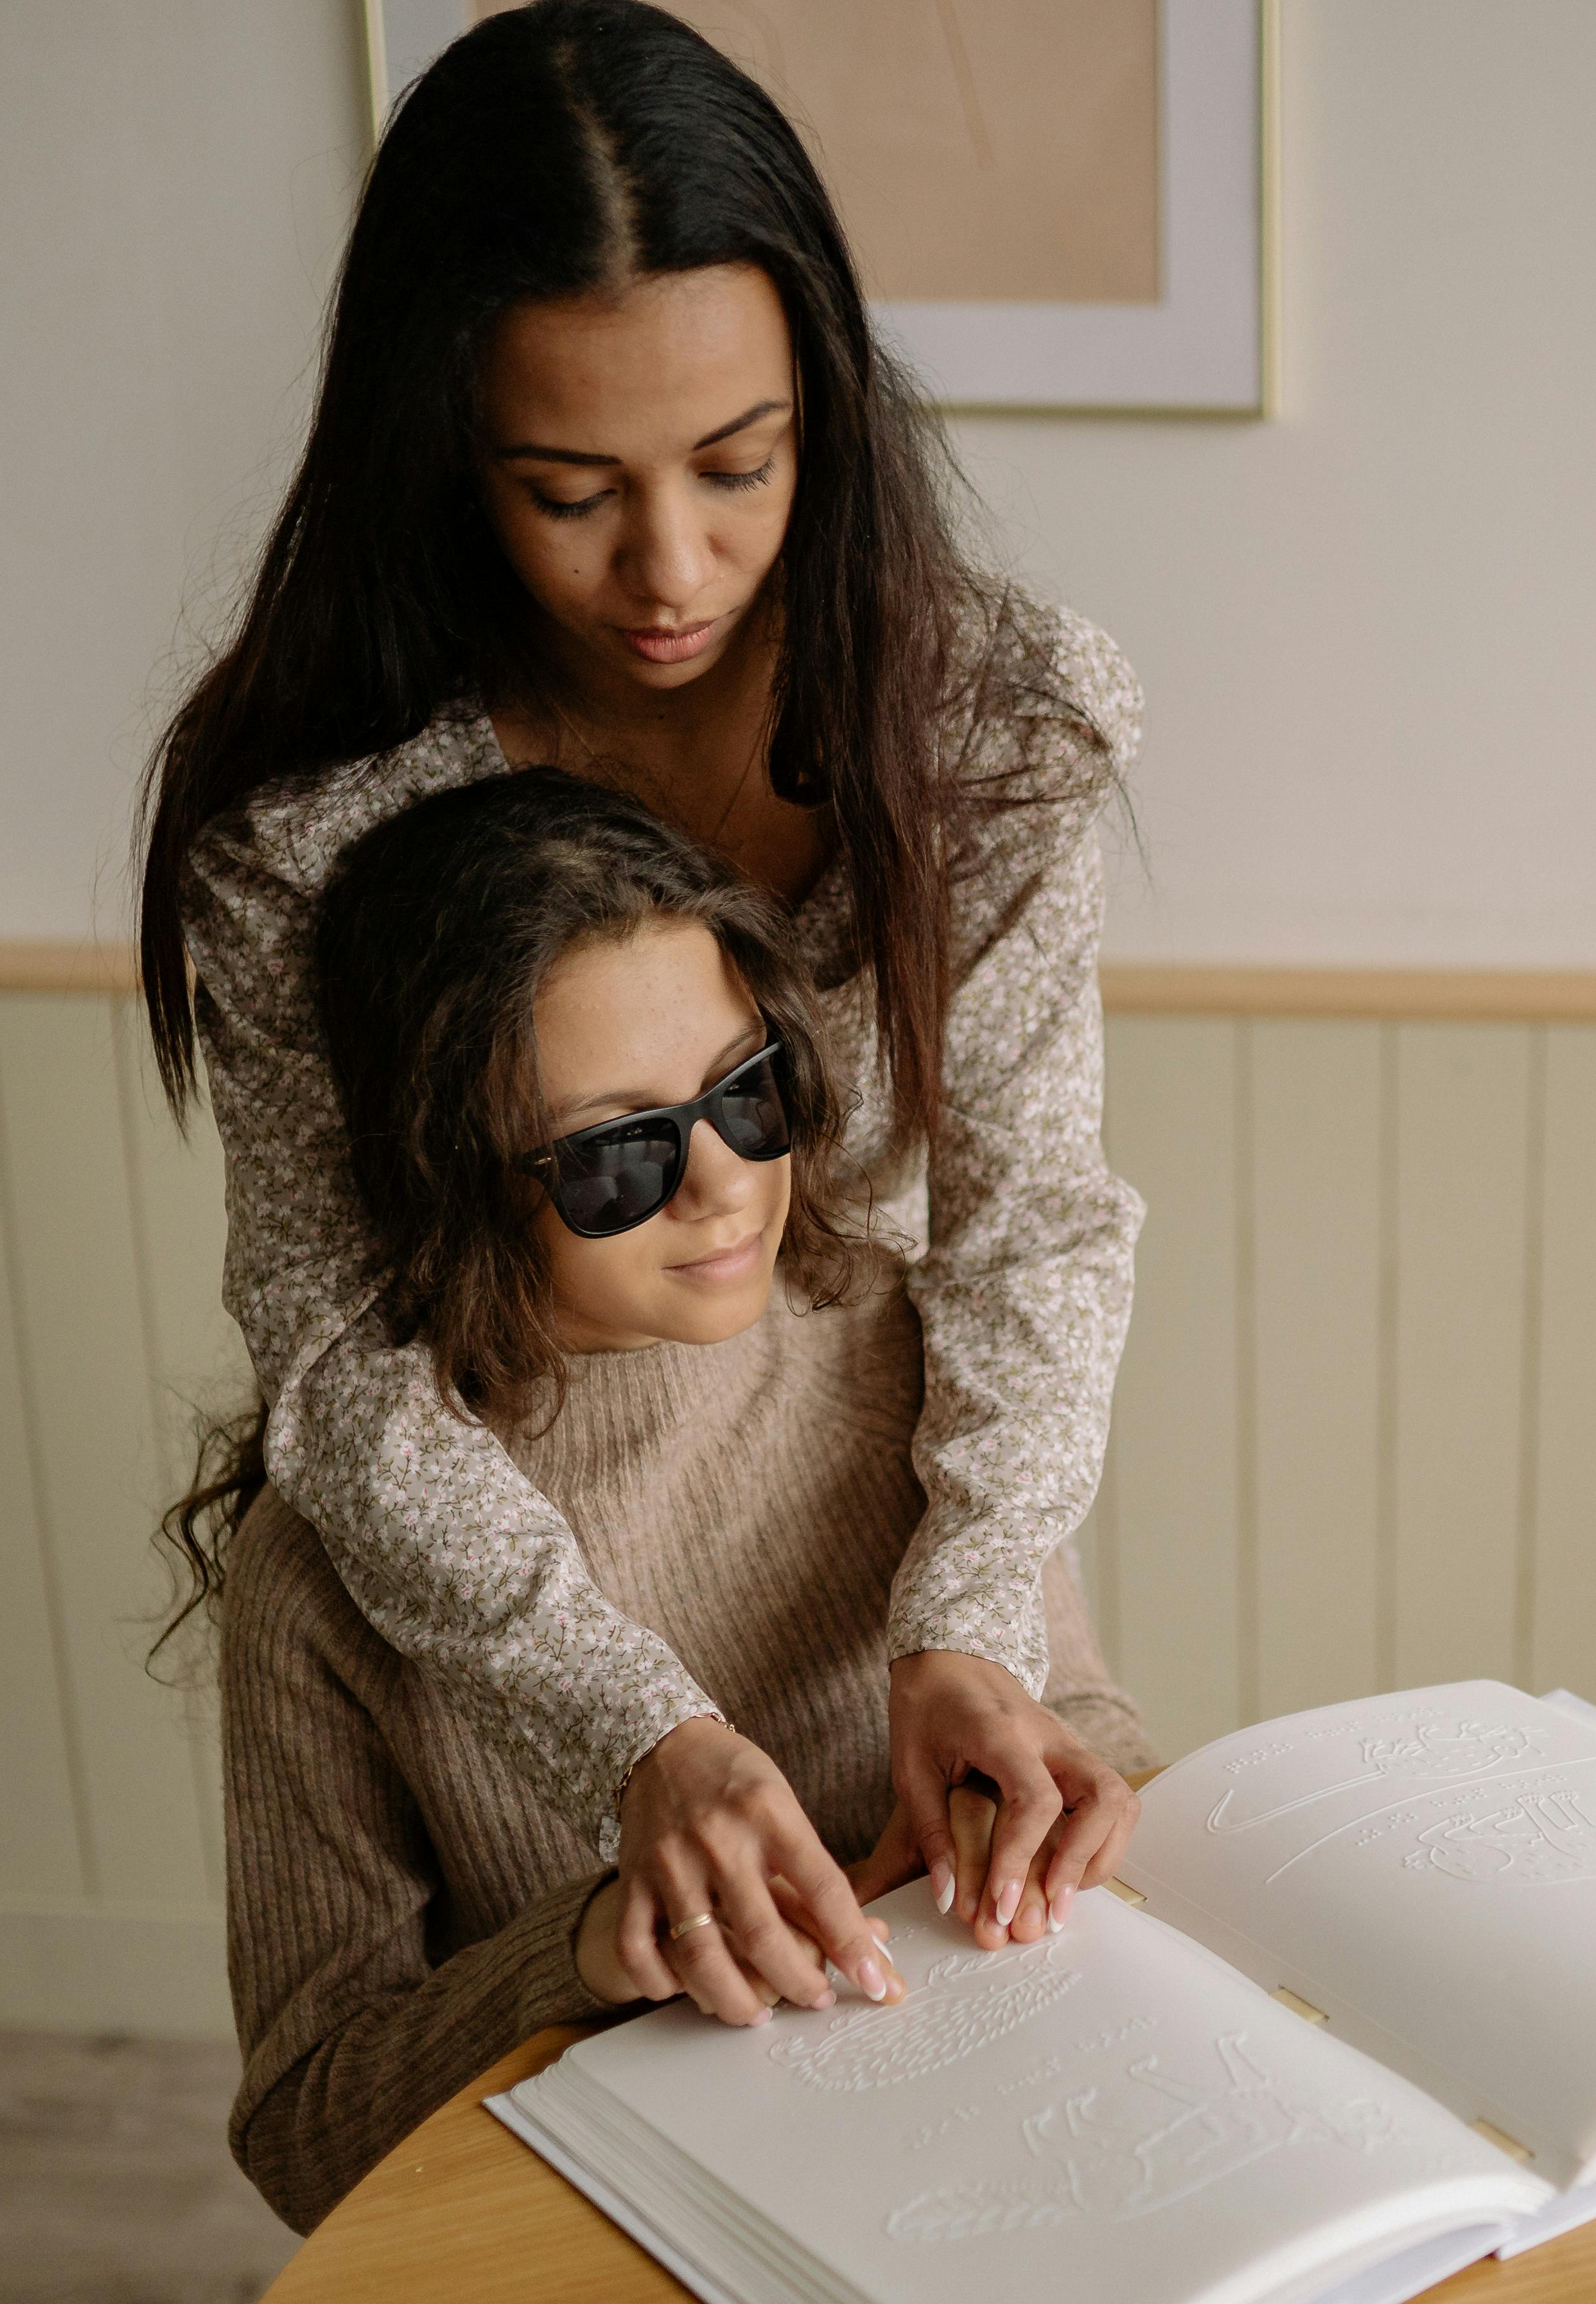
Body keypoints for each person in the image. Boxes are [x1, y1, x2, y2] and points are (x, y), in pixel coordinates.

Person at [134, 0, 1144, 2019]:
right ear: (444, 453)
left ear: (826, 419)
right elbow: (341, 1358)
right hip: (523, 1616)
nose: (670, 568)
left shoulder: (986, 732)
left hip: (878, 1521)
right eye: (567, 487)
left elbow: (1035, 1221)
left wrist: (971, 1626)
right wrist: (634, 1735)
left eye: (738, 465)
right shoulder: (316, 836)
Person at [179, 769, 1149, 2231]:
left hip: (1003, 2152)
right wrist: (583, 1954)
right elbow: (309, 2136)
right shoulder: (330, 1567)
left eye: (750, 1091)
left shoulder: (904, 1357)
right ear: (449, 1175)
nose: (725, 1183)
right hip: (634, 2249)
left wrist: (1059, 1795)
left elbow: (1088, 1713)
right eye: (617, 1153)